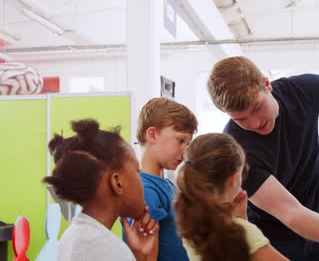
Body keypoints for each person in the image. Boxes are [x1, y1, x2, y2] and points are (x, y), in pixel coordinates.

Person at [207, 56, 319, 261]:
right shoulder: (235, 153)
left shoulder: (303, 90)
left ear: (267, 84)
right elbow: (291, 212)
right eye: (240, 119)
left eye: (257, 107)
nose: (255, 123)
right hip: (275, 235)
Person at [43, 119, 158, 261]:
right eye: (137, 172)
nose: (142, 181)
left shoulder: (78, 236)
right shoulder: (107, 249)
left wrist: (139, 255)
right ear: (117, 183)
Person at [174, 133, 288, 261]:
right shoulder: (245, 233)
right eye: (241, 172)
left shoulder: (191, 227)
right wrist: (243, 224)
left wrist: (241, 219)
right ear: (233, 179)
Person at [126, 97, 198, 261]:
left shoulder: (166, 185)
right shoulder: (146, 191)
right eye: (180, 141)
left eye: (188, 144)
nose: (185, 151)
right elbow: (144, 255)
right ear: (152, 134)